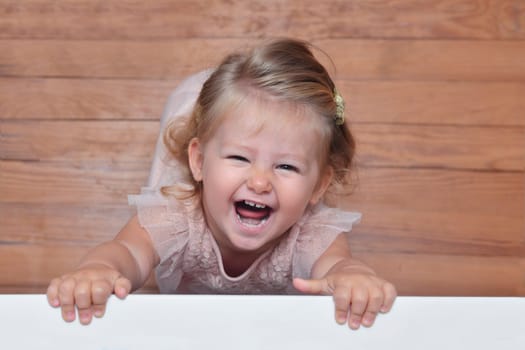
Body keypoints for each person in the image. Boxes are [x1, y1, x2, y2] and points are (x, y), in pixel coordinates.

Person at [47, 38, 397, 329]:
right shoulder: (176, 217)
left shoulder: (310, 234)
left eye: (286, 166)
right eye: (240, 159)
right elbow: (127, 252)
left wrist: (353, 278)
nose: (260, 181)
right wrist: (100, 270)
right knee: (163, 194)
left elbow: (337, 266)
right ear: (198, 161)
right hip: (185, 330)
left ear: (318, 187)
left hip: (267, 333)